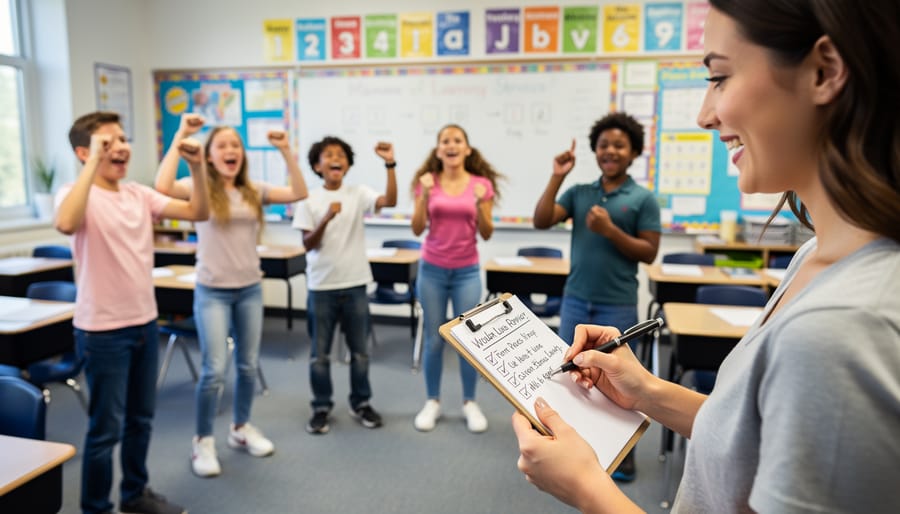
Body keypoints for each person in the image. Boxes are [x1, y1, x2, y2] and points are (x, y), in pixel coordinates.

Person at [512, 1, 900, 512]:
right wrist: (648, 391)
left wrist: (588, 490)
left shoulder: (841, 329)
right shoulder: (813, 257)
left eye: (719, 77)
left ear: (824, 71)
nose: (703, 115)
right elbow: (747, 437)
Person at [55, 111, 209, 514]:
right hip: (102, 331)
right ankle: (95, 507)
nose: (121, 147)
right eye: (108, 142)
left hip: (144, 322)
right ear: (84, 152)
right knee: (105, 430)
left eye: (123, 139)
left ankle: (134, 495)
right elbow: (67, 223)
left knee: (141, 419)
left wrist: (197, 168)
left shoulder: (138, 194)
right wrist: (92, 164)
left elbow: (199, 213)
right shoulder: (75, 193)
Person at [155, 114, 308, 477]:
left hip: (249, 289)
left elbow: (299, 193)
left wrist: (286, 150)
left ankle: (240, 428)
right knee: (214, 370)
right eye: (222, 146)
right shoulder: (199, 187)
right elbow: (161, 186)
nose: (230, 151)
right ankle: (203, 441)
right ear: (208, 156)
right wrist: (181, 135)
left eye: (235, 146)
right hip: (212, 291)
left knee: (247, 364)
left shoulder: (253, 189)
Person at [532, 111, 661, 481]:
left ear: (633, 151)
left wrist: (610, 231)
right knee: (574, 377)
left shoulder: (642, 198)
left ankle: (624, 456)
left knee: (617, 382)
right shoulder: (580, 193)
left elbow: (648, 252)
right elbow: (541, 219)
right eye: (604, 145)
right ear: (595, 150)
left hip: (616, 303)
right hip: (576, 299)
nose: (610, 151)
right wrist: (558, 176)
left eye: (619, 145)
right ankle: (575, 449)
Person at [292, 136, 397, 434]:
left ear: (347, 164)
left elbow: (389, 201)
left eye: (341, 155)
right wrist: (325, 218)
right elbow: (307, 244)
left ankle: (361, 402)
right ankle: (321, 406)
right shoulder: (307, 200)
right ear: (317, 165)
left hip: (355, 285)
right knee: (319, 355)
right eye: (328, 155)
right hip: (321, 287)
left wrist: (390, 164)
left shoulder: (358, 193)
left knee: (360, 353)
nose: (335, 158)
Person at [410, 124, 503, 433]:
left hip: (466, 272)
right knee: (434, 340)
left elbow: (487, 233)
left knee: (467, 342)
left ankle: (469, 403)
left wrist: (479, 203)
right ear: (438, 150)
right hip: (432, 270)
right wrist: (423, 195)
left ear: (467, 149)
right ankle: (432, 401)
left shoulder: (481, 185)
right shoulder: (427, 184)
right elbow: (416, 228)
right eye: (445, 141)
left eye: (457, 140)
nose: (451, 145)